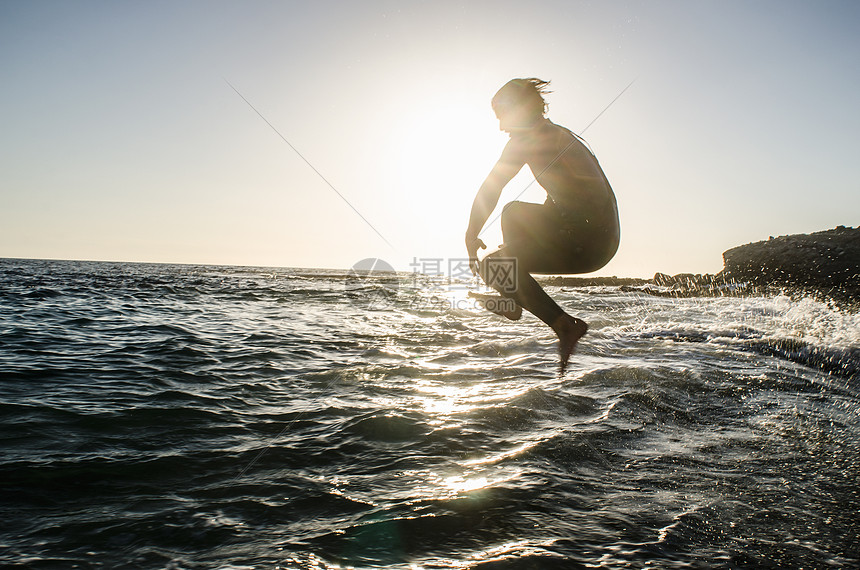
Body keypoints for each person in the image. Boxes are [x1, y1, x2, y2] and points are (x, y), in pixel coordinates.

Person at [465, 78, 620, 374]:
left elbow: (490, 188)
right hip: (595, 234)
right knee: (513, 213)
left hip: (590, 240)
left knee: (494, 266)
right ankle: (511, 299)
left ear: (521, 110)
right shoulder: (553, 135)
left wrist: (471, 234)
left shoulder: (530, 139)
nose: (501, 127)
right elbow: (570, 194)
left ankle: (564, 326)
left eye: (503, 116)